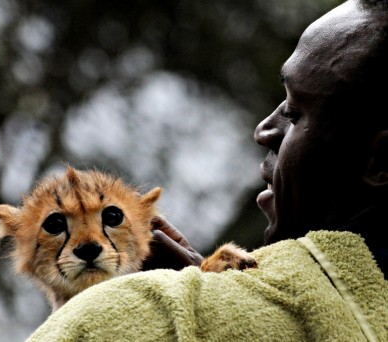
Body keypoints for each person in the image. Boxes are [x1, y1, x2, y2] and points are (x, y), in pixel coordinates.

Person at [27, 0, 388, 340]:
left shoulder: (122, 320)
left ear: (380, 160)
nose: (263, 131)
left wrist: (175, 311)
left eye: (294, 112)